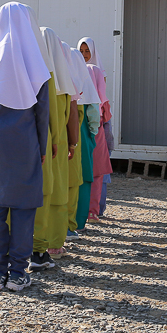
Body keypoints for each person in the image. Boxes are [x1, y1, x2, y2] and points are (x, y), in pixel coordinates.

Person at [0, 2, 50, 292]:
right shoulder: (36, 64)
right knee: (23, 210)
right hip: (26, 142)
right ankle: (18, 272)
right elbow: (42, 114)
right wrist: (41, 147)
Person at [29, 27, 77, 272]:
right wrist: (69, 143)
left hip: (40, 143)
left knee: (38, 192)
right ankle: (55, 245)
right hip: (56, 144)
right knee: (57, 193)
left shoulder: (35, 76)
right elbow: (70, 116)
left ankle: (34, 244)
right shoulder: (62, 77)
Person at [67, 44, 100, 236]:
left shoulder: (63, 81)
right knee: (84, 177)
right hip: (84, 134)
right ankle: (79, 221)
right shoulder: (86, 82)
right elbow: (94, 114)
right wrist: (92, 134)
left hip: (65, 135)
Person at [79, 37, 113, 221]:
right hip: (96, 125)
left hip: (83, 125)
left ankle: (88, 209)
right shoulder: (96, 72)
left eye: (87, 51)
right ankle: (94, 210)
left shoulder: (93, 71)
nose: (84, 55)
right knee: (98, 170)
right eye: (81, 51)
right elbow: (103, 104)